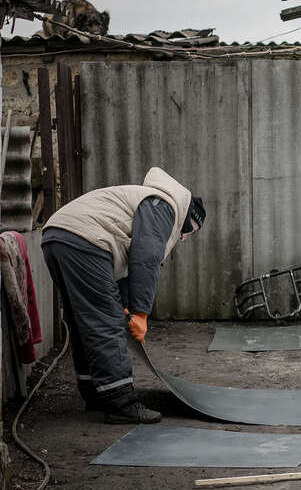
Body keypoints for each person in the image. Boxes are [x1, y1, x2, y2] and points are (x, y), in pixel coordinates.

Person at [41, 167, 205, 424]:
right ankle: (120, 402)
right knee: (105, 323)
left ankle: (95, 391)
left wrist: (125, 306)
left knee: (83, 321)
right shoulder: (165, 206)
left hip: (57, 236)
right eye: (191, 231)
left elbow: (127, 272)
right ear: (189, 219)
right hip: (85, 240)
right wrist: (140, 313)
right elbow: (146, 258)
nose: (184, 238)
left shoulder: (145, 200)